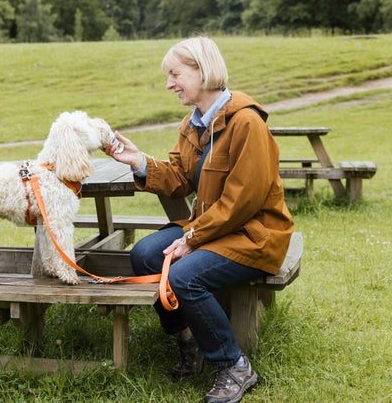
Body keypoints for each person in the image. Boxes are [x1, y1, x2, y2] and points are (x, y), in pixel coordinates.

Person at [105, 36, 294, 403]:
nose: (169, 84)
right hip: (213, 230)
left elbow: (243, 201)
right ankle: (190, 337)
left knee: (182, 276)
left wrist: (191, 237)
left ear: (202, 71)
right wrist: (138, 161)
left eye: (175, 74)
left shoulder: (247, 123)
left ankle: (233, 365)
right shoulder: (193, 124)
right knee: (144, 255)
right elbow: (178, 179)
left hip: (253, 235)